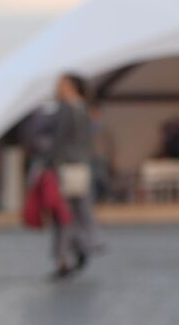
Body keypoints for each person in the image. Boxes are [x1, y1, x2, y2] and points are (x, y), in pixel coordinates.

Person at [48, 73, 98, 279]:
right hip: (82, 166)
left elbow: (58, 140)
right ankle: (83, 246)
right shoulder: (85, 108)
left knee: (63, 214)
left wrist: (52, 164)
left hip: (66, 167)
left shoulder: (64, 109)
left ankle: (63, 257)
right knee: (81, 211)